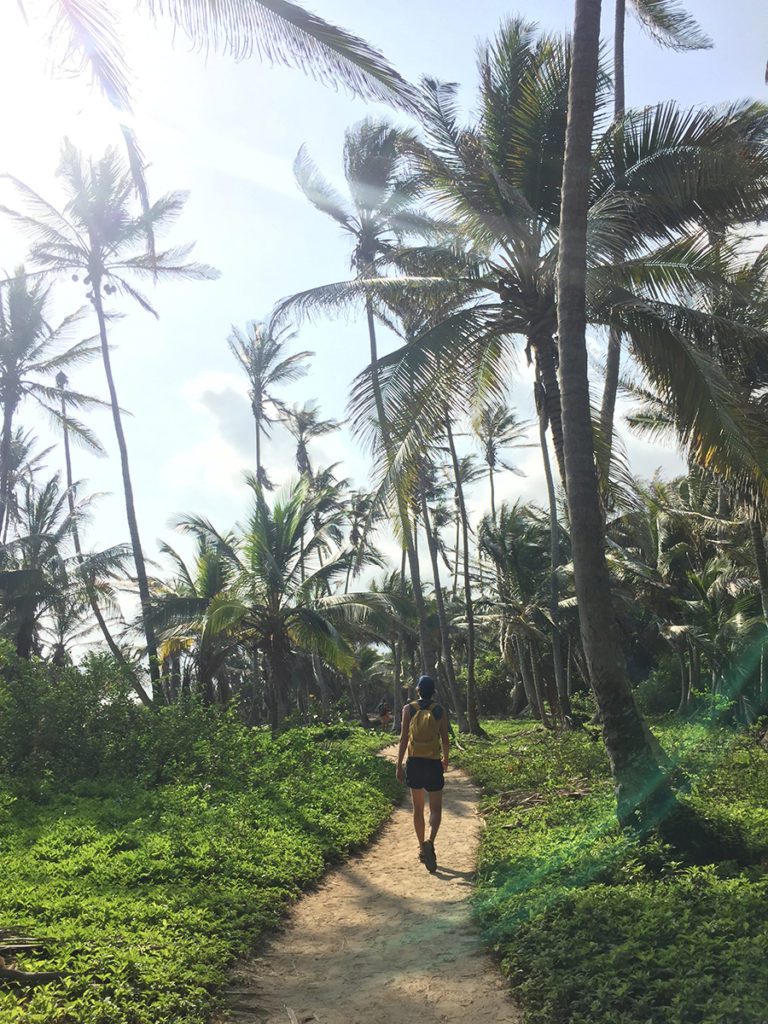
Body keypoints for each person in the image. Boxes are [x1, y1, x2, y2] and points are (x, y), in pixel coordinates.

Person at [395, 675, 449, 873]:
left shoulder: (408, 709)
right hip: (433, 763)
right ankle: (431, 841)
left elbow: (402, 739)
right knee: (435, 809)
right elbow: (444, 738)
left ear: (418, 690)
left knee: (418, 809)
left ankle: (421, 848)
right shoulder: (440, 710)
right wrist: (445, 759)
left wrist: (399, 765)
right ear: (433, 691)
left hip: (415, 763)